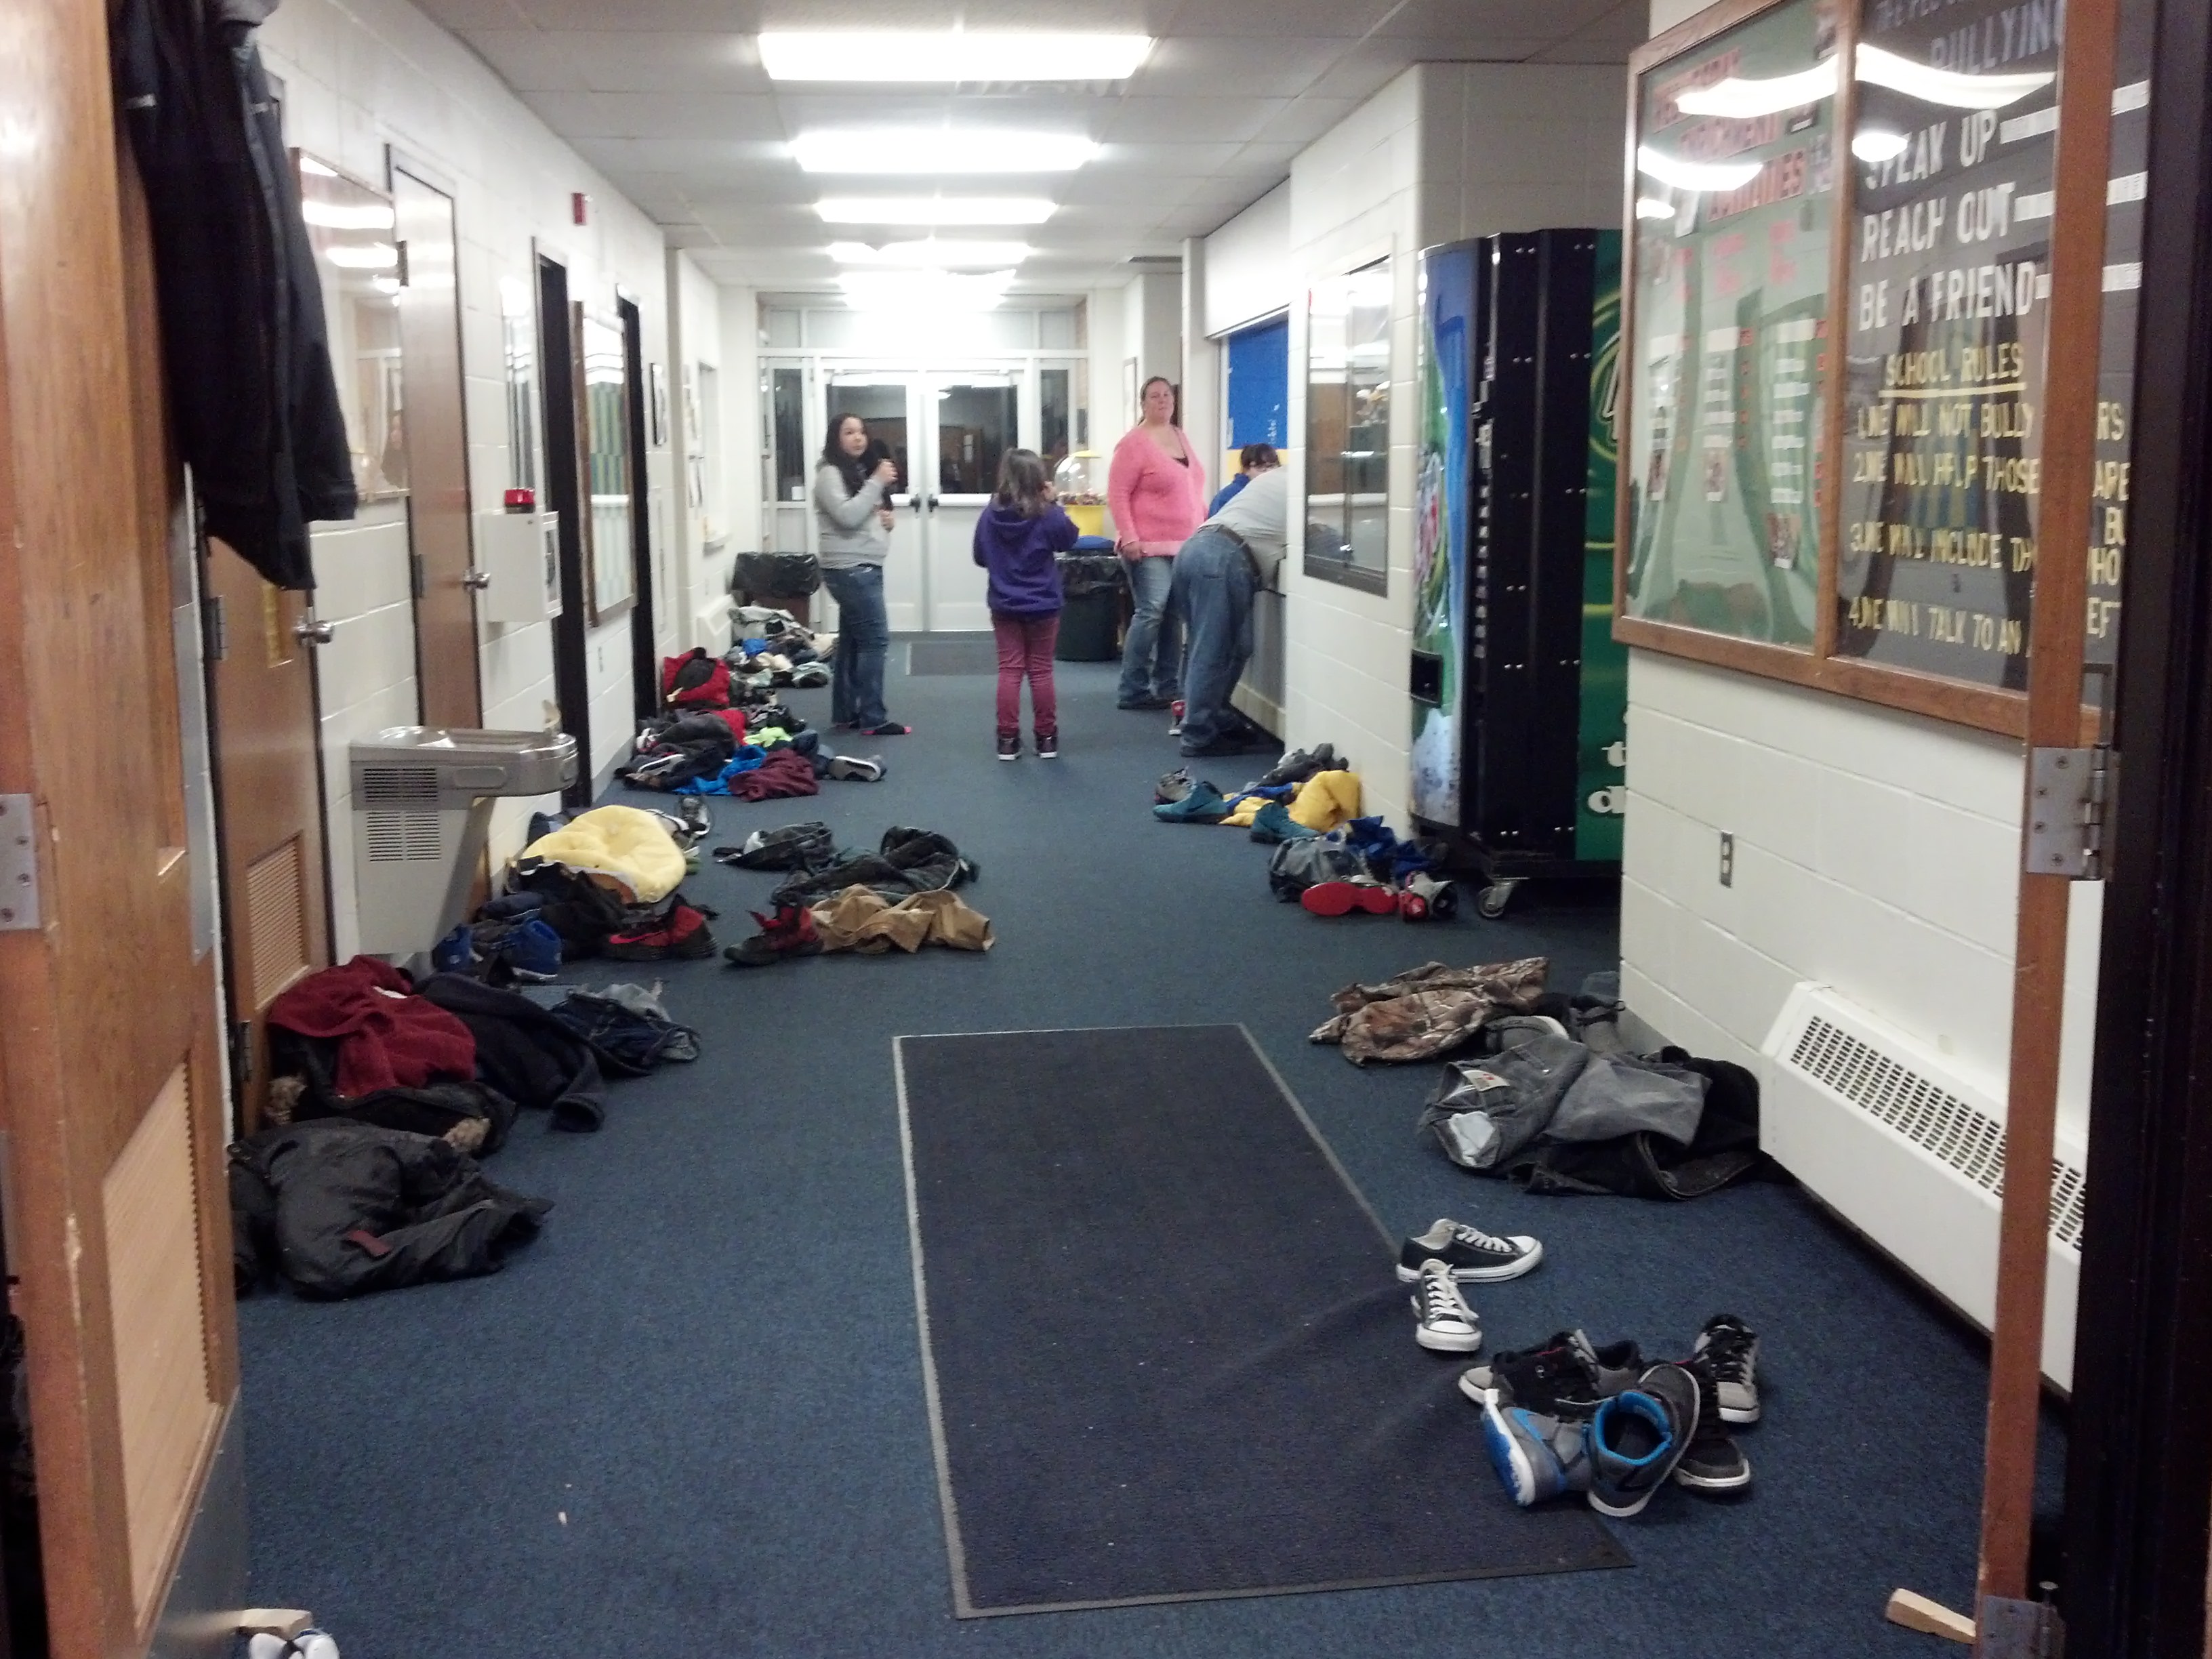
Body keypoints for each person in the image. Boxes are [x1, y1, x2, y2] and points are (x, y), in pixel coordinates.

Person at [1170, 462, 1290, 758]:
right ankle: (1198, 734)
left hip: (1197, 550)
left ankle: (1214, 716)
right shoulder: (1304, 490)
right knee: (1212, 651)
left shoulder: (1275, 478)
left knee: (1238, 645)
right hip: (1223, 560)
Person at [972, 448, 1080, 761]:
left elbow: (980, 556)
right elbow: (1069, 539)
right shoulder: (1046, 513)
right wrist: (1054, 502)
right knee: (1041, 670)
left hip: (1005, 603)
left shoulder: (991, 514)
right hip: (1043, 604)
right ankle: (1046, 738)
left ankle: (1007, 739)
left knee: (1010, 669)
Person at [1107, 375, 1206, 712]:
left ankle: (1167, 686)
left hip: (1185, 544)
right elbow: (1118, 494)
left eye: (1167, 395)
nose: (1162, 400)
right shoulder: (1133, 443)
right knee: (1152, 611)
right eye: (1154, 396)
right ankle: (1132, 688)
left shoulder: (1180, 437)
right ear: (1143, 403)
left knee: (1174, 616)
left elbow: (1193, 488)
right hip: (1146, 546)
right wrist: (1129, 537)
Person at [812, 412, 909, 736]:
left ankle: (845, 714)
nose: (858, 438)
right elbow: (848, 516)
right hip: (851, 571)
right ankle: (873, 718)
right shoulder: (829, 473)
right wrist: (877, 481)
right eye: (848, 432)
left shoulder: (854, 471)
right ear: (835, 439)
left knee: (854, 643)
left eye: (861, 432)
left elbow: (863, 513)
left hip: (862, 566)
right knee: (875, 642)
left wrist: (886, 524)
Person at [1206, 442, 1279, 517]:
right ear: (1246, 470)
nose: (1268, 472)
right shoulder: (1230, 496)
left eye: (1272, 466)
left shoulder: (1277, 493)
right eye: (1260, 467)